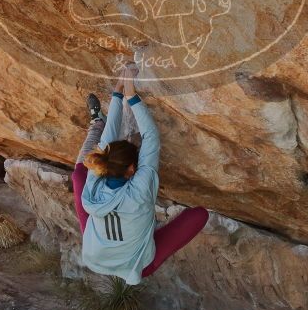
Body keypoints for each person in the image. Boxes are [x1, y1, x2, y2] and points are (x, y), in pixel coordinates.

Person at [71, 65, 209, 285]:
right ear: (132, 170)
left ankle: (97, 122)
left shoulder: (95, 182)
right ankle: (142, 239)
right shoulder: (140, 190)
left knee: (80, 174)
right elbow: (150, 136)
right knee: (199, 215)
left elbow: (109, 141)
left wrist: (119, 93)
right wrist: (130, 96)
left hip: (96, 255)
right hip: (136, 267)